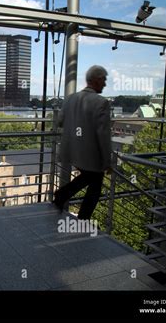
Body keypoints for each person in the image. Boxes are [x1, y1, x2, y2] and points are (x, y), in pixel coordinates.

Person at [53, 65, 112, 220]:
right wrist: (107, 160)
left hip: (72, 150)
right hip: (90, 154)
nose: (105, 84)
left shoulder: (71, 98)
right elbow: (103, 134)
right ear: (96, 80)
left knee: (89, 178)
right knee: (95, 186)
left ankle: (61, 196)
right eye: (104, 80)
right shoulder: (102, 102)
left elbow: (59, 122)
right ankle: (82, 218)